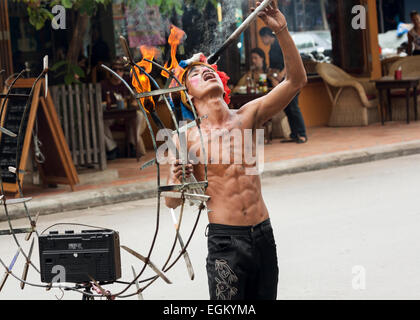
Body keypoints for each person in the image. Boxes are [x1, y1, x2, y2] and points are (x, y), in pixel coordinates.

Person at [165, 1, 307, 300]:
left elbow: (296, 81)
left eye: (209, 70)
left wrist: (280, 29)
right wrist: (179, 179)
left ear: (222, 80)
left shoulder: (246, 116)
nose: (205, 73)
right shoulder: (184, 138)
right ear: (186, 94)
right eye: (195, 73)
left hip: (263, 234)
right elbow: (171, 201)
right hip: (226, 243)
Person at [259, 26, 308, 144]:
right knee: (287, 107)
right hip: (281, 81)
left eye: (262, 39)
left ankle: (302, 134)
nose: (262, 41)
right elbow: (273, 66)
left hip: (291, 79)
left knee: (294, 107)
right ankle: (293, 134)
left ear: (266, 36)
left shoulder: (280, 45)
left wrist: (281, 75)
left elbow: (290, 60)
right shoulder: (271, 49)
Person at [101, 58, 147, 160]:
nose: (118, 72)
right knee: (99, 122)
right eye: (115, 69)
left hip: (127, 113)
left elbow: (136, 94)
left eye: (120, 69)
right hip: (111, 115)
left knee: (139, 116)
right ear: (111, 71)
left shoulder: (128, 81)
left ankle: (132, 144)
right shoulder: (104, 85)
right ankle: (112, 148)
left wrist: (135, 101)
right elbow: (100, 103)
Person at [233, 47, 279, 144]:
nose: (253, 61)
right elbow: (237, 87)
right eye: (252, 59)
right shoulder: (250, 74)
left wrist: (270, 78)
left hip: (268, 101)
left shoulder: (269, 72)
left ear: (262, 58)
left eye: (255, 58)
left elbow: (278, 87)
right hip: (254, 101)